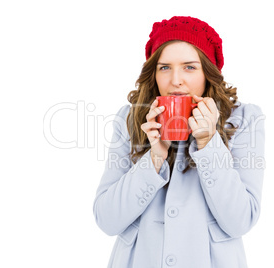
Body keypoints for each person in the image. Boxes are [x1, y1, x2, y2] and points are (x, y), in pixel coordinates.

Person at [93, 16, 265, 268]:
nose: (176, 80)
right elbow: (107, 220)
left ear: (208, 72)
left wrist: (208, 143)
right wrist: (154, 157)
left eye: (189, 67)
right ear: (154, 73)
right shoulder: (130, 119)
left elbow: (240, 220)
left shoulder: (243, 119)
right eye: (165, 67)